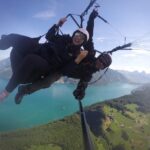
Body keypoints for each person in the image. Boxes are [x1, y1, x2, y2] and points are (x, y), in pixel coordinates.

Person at [14, 9, 112, 104]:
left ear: (103, 68)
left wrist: (80, 91)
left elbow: (83, 84)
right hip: (63, 60)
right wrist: (91, 19)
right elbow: (89, 36)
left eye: (103, 64)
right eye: (101, 60)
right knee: (40, 66)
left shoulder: (88, 75)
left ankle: (23, 91)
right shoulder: (90, 53)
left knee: (47, 82)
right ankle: (22, 65)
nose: (100, 63)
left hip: (63, 71)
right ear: (99, 57)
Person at [0, 16, 90, 102]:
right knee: (15, 38)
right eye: (77, 34)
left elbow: (65, 71)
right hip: (39, 49)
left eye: (82, 38)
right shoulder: (63, 39)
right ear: (74, 34)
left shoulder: (76, 55)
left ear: (83, 42)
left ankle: (6, 92)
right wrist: (58, 25)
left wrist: (78, 59)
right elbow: (49, 37)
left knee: (31, 59)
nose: (78, 37)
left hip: (47, 64)